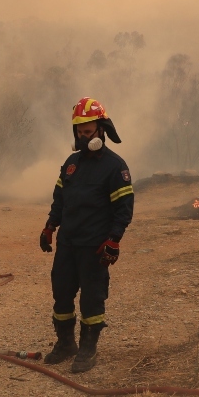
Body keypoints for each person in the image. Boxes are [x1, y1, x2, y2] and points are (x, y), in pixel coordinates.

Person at [39, 97, 133, 373]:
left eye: (88, 131)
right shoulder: (71, 164)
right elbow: (60, 198)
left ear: (101, 129)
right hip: (68, 243)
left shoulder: (115, 167)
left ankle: (88, 348)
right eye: (79, 132)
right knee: (62, 294)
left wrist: (114, 239)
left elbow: (124, 209)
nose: (83, 137)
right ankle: (66, 343)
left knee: (92, 297)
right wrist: (50, 225)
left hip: (94, 246)